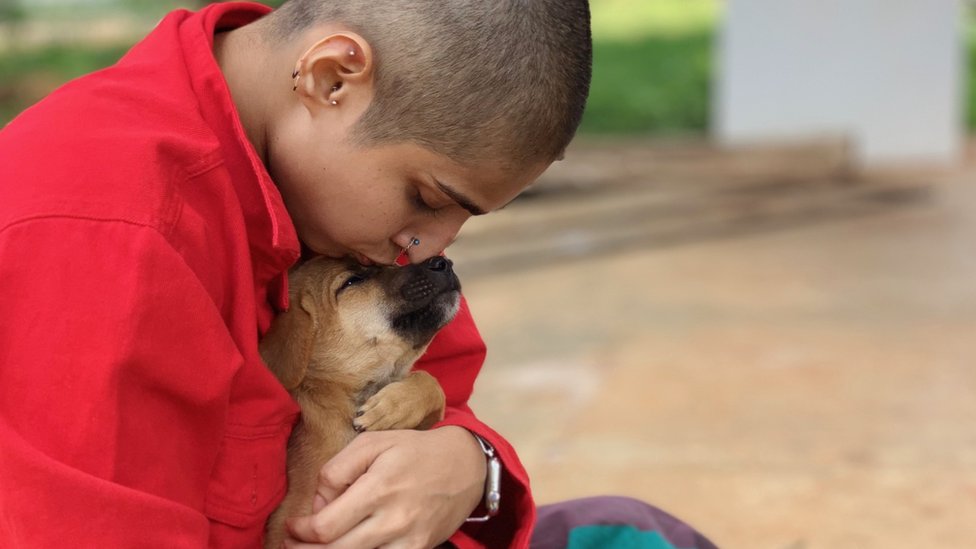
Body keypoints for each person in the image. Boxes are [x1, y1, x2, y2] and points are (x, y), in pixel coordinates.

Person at [0, 1, 717, 548]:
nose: (432, 245)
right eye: (429, 198)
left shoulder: (332, 203)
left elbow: (448, 392)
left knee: (633, 531)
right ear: (331, 78)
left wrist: (471, 468)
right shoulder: (100, 230)